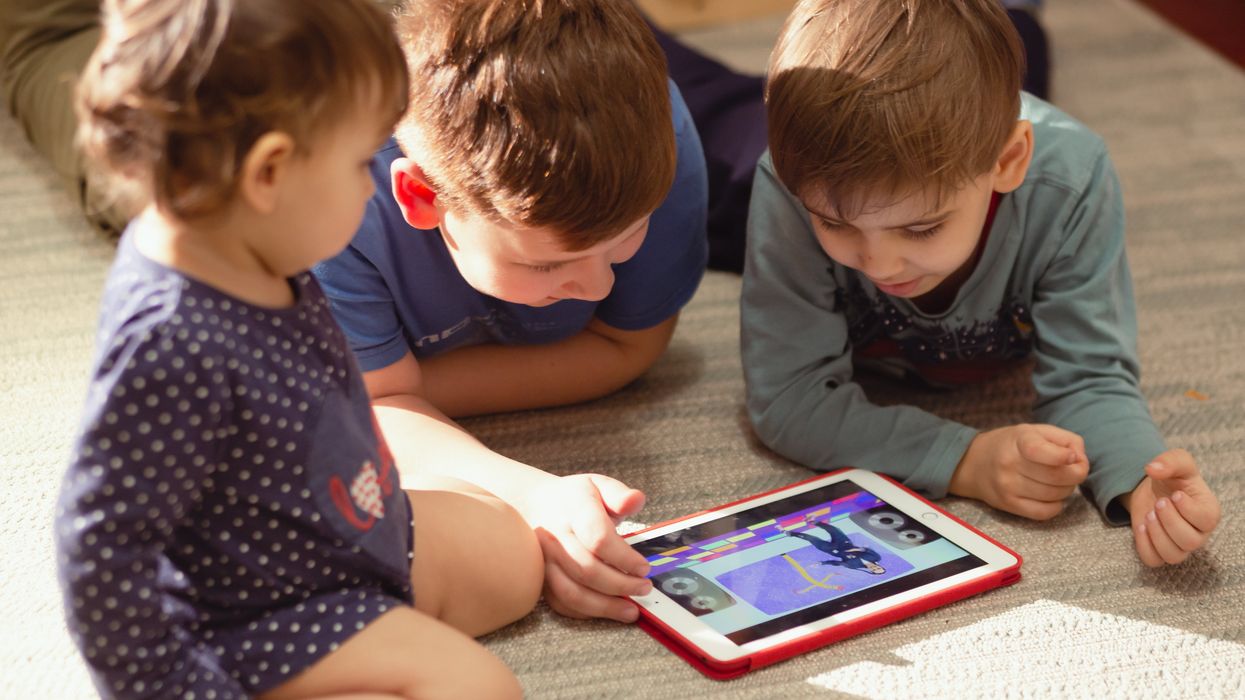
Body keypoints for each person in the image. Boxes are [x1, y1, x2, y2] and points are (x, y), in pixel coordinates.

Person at [55, 2, 543, 698]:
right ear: (269, 173)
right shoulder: (169, 342)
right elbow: (100, 554)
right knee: (480, 688)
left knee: (516, 555)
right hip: (265, 614)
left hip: (348, 531)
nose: (370, 186)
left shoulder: (246, 236)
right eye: (356, 163)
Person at [741, 0, 1220, 568]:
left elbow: (1090, 376)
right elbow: (790, 397)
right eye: (834, 223)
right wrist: (965, 458)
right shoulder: (788, 181)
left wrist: (1141, 480)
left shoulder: (1072, 182)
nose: (879, 262)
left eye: (921, 227)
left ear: (1009, 160)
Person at [310, 0, 709, 623]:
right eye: (547, 266)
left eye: (628, 235)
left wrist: (387, 391)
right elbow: (368, 410)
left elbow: (632, 347)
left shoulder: (665, 141)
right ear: (422, 198)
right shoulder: (328, 201)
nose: (598, 286)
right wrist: (527, 494)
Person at [788, 522, 886, 575]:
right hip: (845, 543)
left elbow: (838, 563)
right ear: (880, 566)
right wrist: (856, 549)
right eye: (878, 568)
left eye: (875, 570)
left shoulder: (854, 566)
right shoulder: (876, 558)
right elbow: (866, 550)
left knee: (812, 539)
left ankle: (791, 534)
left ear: (871, 571)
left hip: (833, 550)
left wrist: (821, 563)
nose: (875, 568)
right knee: (834, 530)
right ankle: (814, 521)